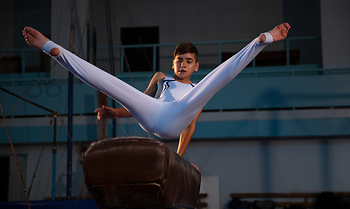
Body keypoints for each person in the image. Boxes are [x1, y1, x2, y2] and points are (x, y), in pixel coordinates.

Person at [22, 23, 290, 158]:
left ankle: (260, 41)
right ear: (173, 63)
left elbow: (190, 127)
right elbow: (139, 102)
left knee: (216, 80)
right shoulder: (161, 77)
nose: (183, 64)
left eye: (188, 61)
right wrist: (115, 112)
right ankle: (53, 49)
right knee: (113, 84)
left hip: (177, 120)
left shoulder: (197, 89)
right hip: (153, 114)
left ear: (195, 66)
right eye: (179, 60)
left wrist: (177, 158)